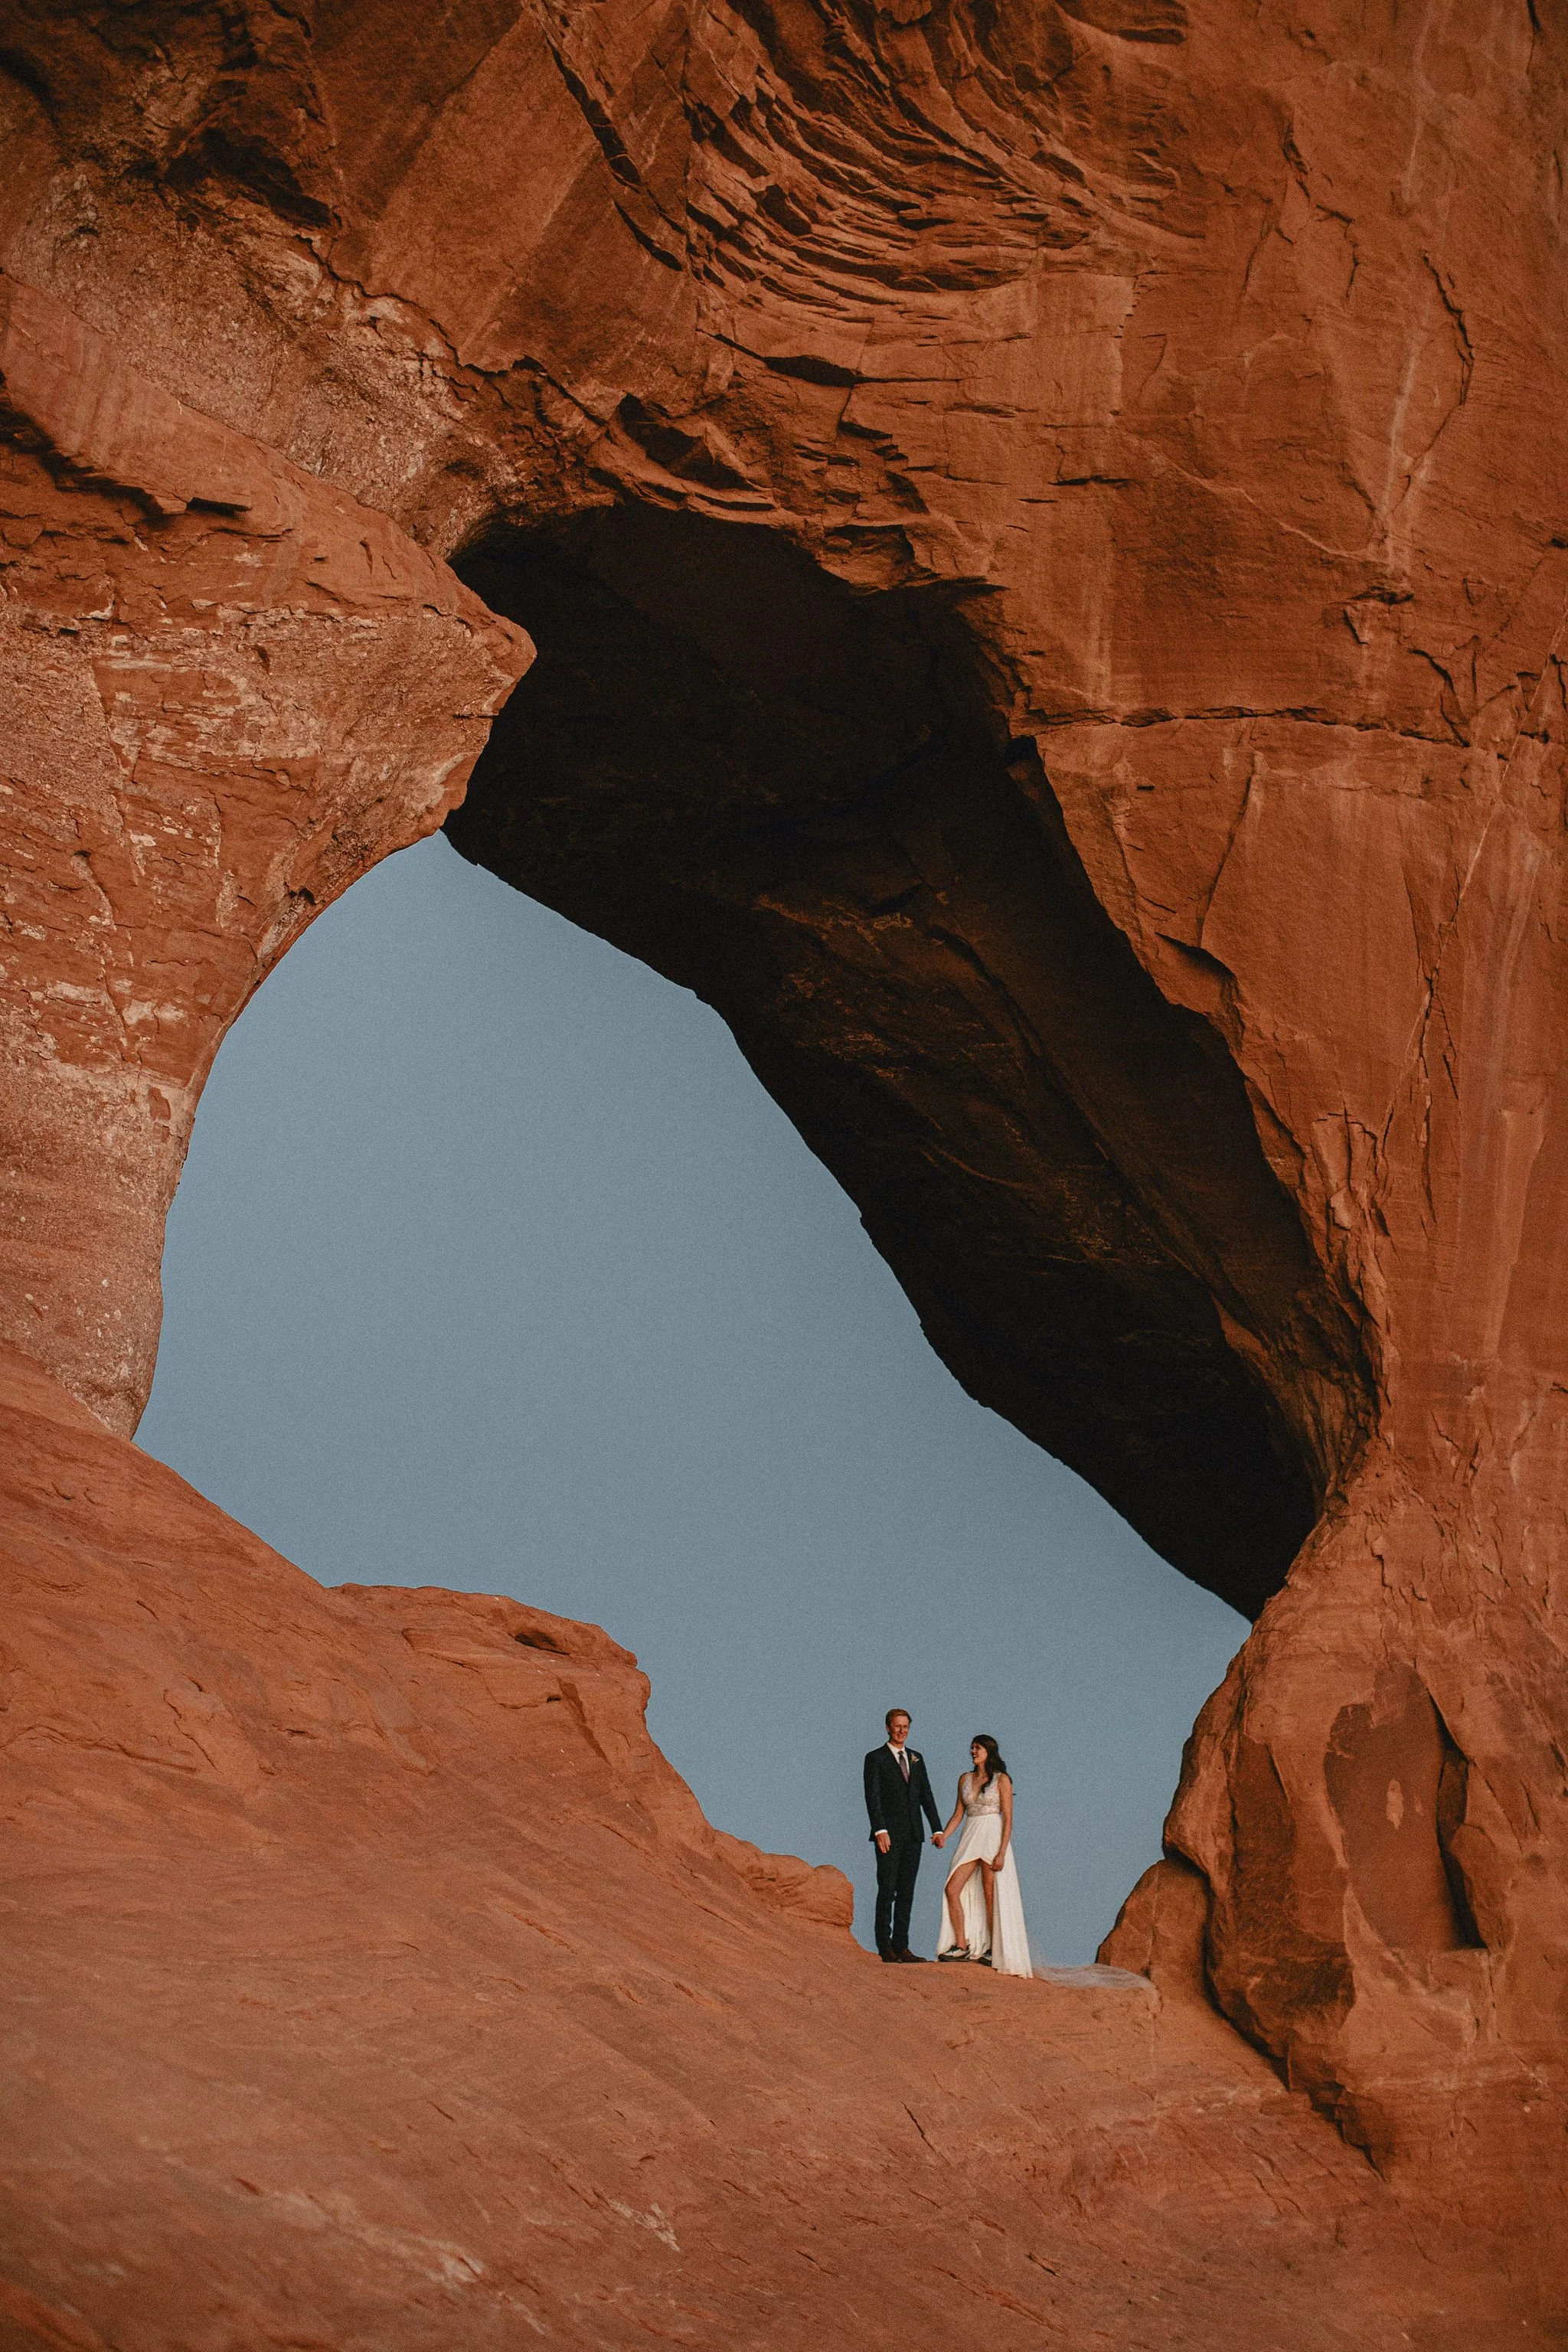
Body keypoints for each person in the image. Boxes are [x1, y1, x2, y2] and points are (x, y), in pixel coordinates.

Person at [935, 1735, 1032, 1976]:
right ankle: (961, 1944)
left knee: (990, 1894)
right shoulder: (965, 1779)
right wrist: (944, 1836)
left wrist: (1001, 1852)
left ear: (989, 1751)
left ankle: (992, 1948)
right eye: (971, 1747)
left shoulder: (1002, 1780)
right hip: (971, 1835)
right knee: (952, 1888)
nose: (972, 1751)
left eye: (977, 1748)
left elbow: (1008, 1818)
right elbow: (958, 1813)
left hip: (991, 1836)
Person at [862, 1708, 945, 1962]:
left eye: (906, 1726)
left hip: (914, 1835)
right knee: (887, 1888)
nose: (902, 1731)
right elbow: (872, 1796)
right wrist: (879, 1830)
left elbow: (926, 1795)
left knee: (907, 1890)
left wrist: (937, 1828)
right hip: (888, 1834)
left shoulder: (916, 1758)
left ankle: (902, 1946)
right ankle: (885, 1946)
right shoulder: (875, 1758)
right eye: (897, 1726)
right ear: (888, 1727)